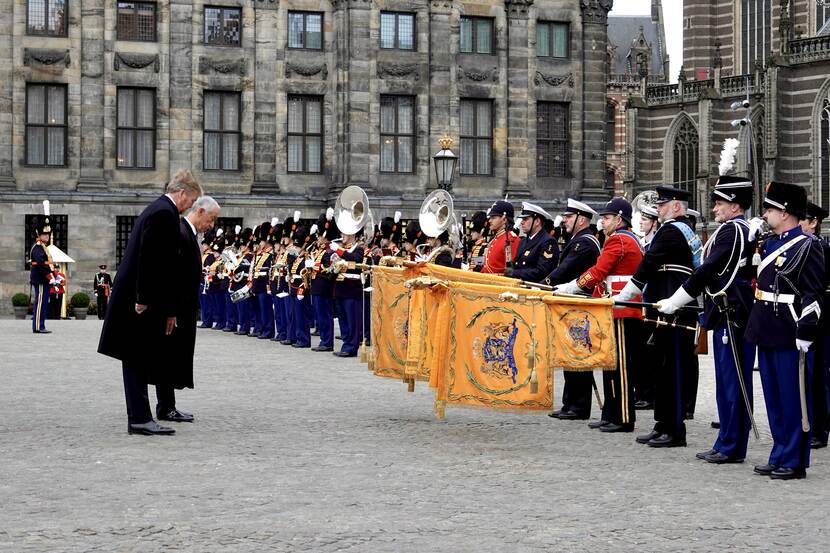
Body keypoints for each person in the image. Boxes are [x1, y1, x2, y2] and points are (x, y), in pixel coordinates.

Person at [656, 176, 755, 463]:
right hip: (726, 314)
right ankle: (726, 440)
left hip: (731, 315)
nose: (714, 209)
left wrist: (676, 300)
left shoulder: (732, 231)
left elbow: (707, 270)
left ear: (735, 206)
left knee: (732, 385)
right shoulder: (734, 230)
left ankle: (731, 445)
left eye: (719, 203)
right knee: (727, 385)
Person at [98, 169, 202, 436]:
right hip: (141, 301)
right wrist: (144, 299)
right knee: (136, 357)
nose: (190, 206)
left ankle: (140, 417)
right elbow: (152, 260)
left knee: (136, 357)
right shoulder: (164, 213)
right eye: (191, 200)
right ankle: (139, 418)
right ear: (182, 193)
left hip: (139, 297)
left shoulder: (159, 209)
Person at [745, 182, 825, 479]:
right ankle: (779, 452)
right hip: (766, 327)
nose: (765, 215)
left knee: (793, 399)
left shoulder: (807, 245)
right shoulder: (769, 243)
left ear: (785, 212)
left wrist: (806, 330)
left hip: (790, 329)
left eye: (769, 209)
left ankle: (794, 459)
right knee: (774, 398)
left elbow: (814, 293)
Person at [617, 186, 701, 448]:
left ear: (676, 206)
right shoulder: (679, 229)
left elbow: (648, 264)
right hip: (667, 310)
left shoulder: (672, 230)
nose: (658, 209)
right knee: (663, 370)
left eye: (662, 204)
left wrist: (623, 296)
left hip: (673, 311)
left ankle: (674, 429)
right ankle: (662, 424)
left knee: (672, 370)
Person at [555, 197, 644, 432]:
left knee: (620, 367)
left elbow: (598, 271)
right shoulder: (625, 239)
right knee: (610, 364)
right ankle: (611, 413)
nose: (602, 222)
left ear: (619, 219)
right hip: (616, 307)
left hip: (622, 308)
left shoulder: (619, 240)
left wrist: (570, 287)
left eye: (607, 218)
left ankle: (623, 417)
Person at [155, 195, 220, 424]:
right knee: (168, 356)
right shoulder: (181, 232)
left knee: (172, 356)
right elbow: (171, 275)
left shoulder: (187, 232)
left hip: (183, 307)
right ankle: (165, 407)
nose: (211, 225)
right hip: (177, 309)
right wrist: (171, 310)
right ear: (200, 211)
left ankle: (168, 405)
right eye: (211, 219)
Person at [545, 199, 602, 420]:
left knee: (578, 354)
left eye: (569, 217)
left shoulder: (584, 243)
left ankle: (579, 406)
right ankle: (569, 403)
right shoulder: (577, 240)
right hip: (571, 303)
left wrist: (543, 284)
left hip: (580, 305)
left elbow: (565, 270)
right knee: (570, 354)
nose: (565, 220)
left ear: (582, 220)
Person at [801, 202, 830, 449]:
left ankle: (819, 430)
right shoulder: (800, 246)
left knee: (817, 376)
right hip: (803, 319)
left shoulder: (820, 248)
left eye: (803, 218)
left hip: (821, 322)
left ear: (813, 223)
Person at [332, 228, 365, 358]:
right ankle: (346, 344)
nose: (342, 235)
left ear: (352, 234)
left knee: (352, 320)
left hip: (351, 289)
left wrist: (339, 251)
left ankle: (351, 347)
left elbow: (355, 259)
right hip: (340, 289)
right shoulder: (343, 249)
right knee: (343, 321)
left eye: (344, 233)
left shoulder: (359, 249)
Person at [505, 202, 559, 282]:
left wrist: (515, 273)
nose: (522, 222)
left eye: (525, 219)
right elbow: (518, 264)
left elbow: (542, 272)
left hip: (536, 287)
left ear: (537, 221)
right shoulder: (523, 241)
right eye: (522, 219)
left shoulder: (548, 242)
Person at [311, 209, 338, 352]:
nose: (318, 238)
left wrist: (315, 267)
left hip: (324, 287)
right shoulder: (320, 251)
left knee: (325, 316)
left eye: (319, 235)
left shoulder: (330, 252)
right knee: (320, 317)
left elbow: (330, 269)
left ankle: (327, 342)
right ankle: (324, 340)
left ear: (325, 235)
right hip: (317, 287)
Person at [29, 216, 56, 334]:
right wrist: (50, 276)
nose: (47, 236)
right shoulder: (37, 247)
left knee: (44, 303)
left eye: (48, 234)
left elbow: (47, 263)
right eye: (44, 234)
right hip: (40, 279)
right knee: (40, 303)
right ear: (38, 235)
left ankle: (41, 325)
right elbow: (41, 264)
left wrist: (53, 275)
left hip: (44, 279)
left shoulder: (43, 247)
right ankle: (37, 327)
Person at [480, 201, 520, 275]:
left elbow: (510, 272)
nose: (490, 221)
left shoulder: (511, 239)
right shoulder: (494, 239)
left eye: (493, 217)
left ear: (504, 219)